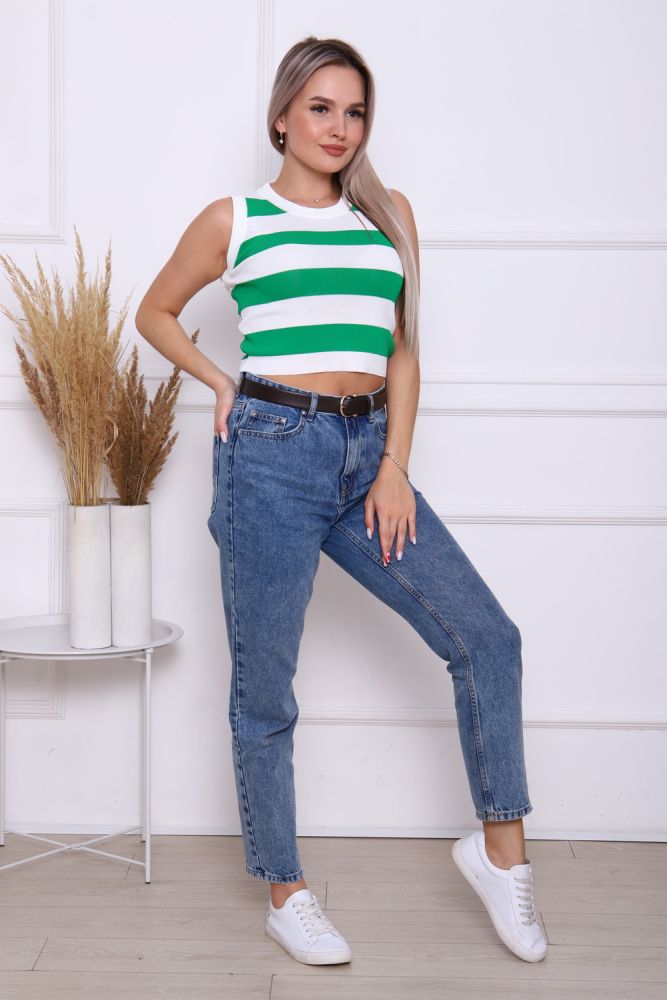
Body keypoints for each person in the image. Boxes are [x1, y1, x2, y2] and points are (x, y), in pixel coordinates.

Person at [136, 35, 548, 967]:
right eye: (320, 108)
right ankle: (286, 892)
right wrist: (220, 380)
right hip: (269, 458)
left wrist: (393, 464)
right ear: (281, 116)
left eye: (354, 112)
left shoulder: (388, 214)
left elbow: (403, 351)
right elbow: (153, 311)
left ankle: (500, 855)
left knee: (486, 639)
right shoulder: (236, 218)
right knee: (265, 689)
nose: (338, 128)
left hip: (368, 459)